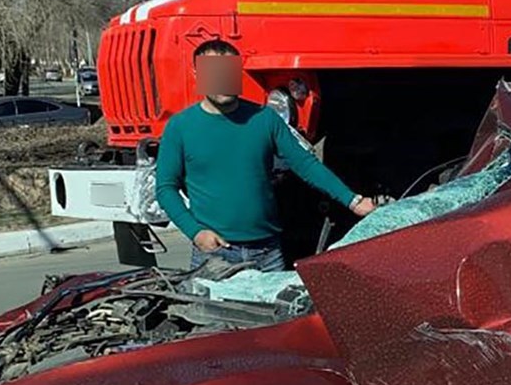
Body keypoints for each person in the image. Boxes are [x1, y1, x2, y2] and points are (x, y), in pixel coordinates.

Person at [156, 40, 375, 271]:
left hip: (267, 253)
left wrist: (354, 201)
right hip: (214, 255)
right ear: (197, 73)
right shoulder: (180, 127)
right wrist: (195, 231)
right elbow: (166, 188)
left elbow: (306, 164)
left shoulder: (264, 119)